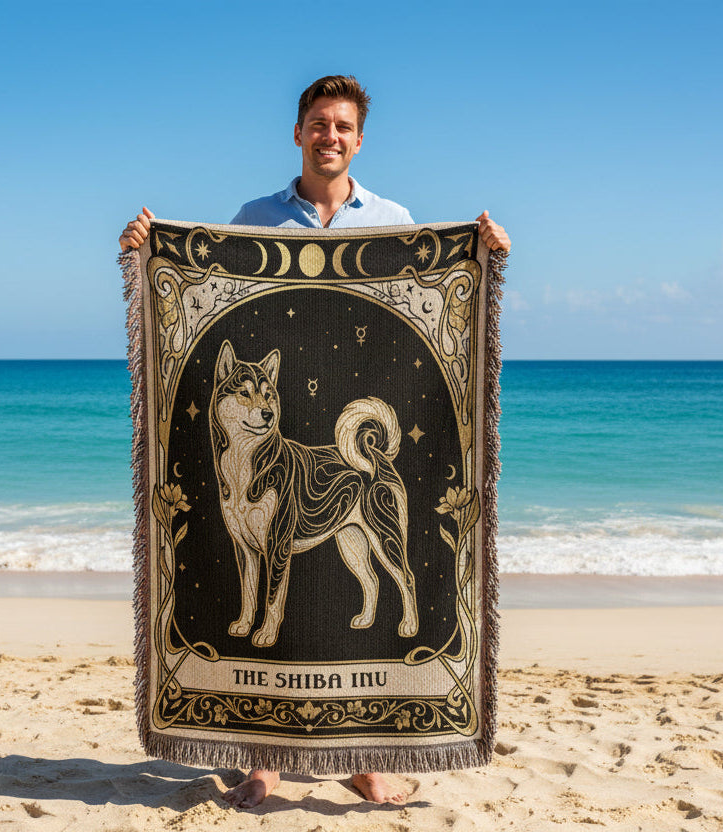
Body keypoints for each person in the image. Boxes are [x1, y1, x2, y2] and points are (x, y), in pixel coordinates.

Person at [119, 75, 510, 809]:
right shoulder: (255, 218)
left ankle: (363, 760)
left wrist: (485, 254)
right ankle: (263, 763)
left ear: (359, 140)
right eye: (319, 124)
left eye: (343, 126)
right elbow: (216, 308)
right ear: (297, 133)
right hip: (283, 424)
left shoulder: (393, 221)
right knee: (283, 617)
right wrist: (146, 253)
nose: (330, 136)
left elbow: (422, 320)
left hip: (344, 430)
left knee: (359, 600)